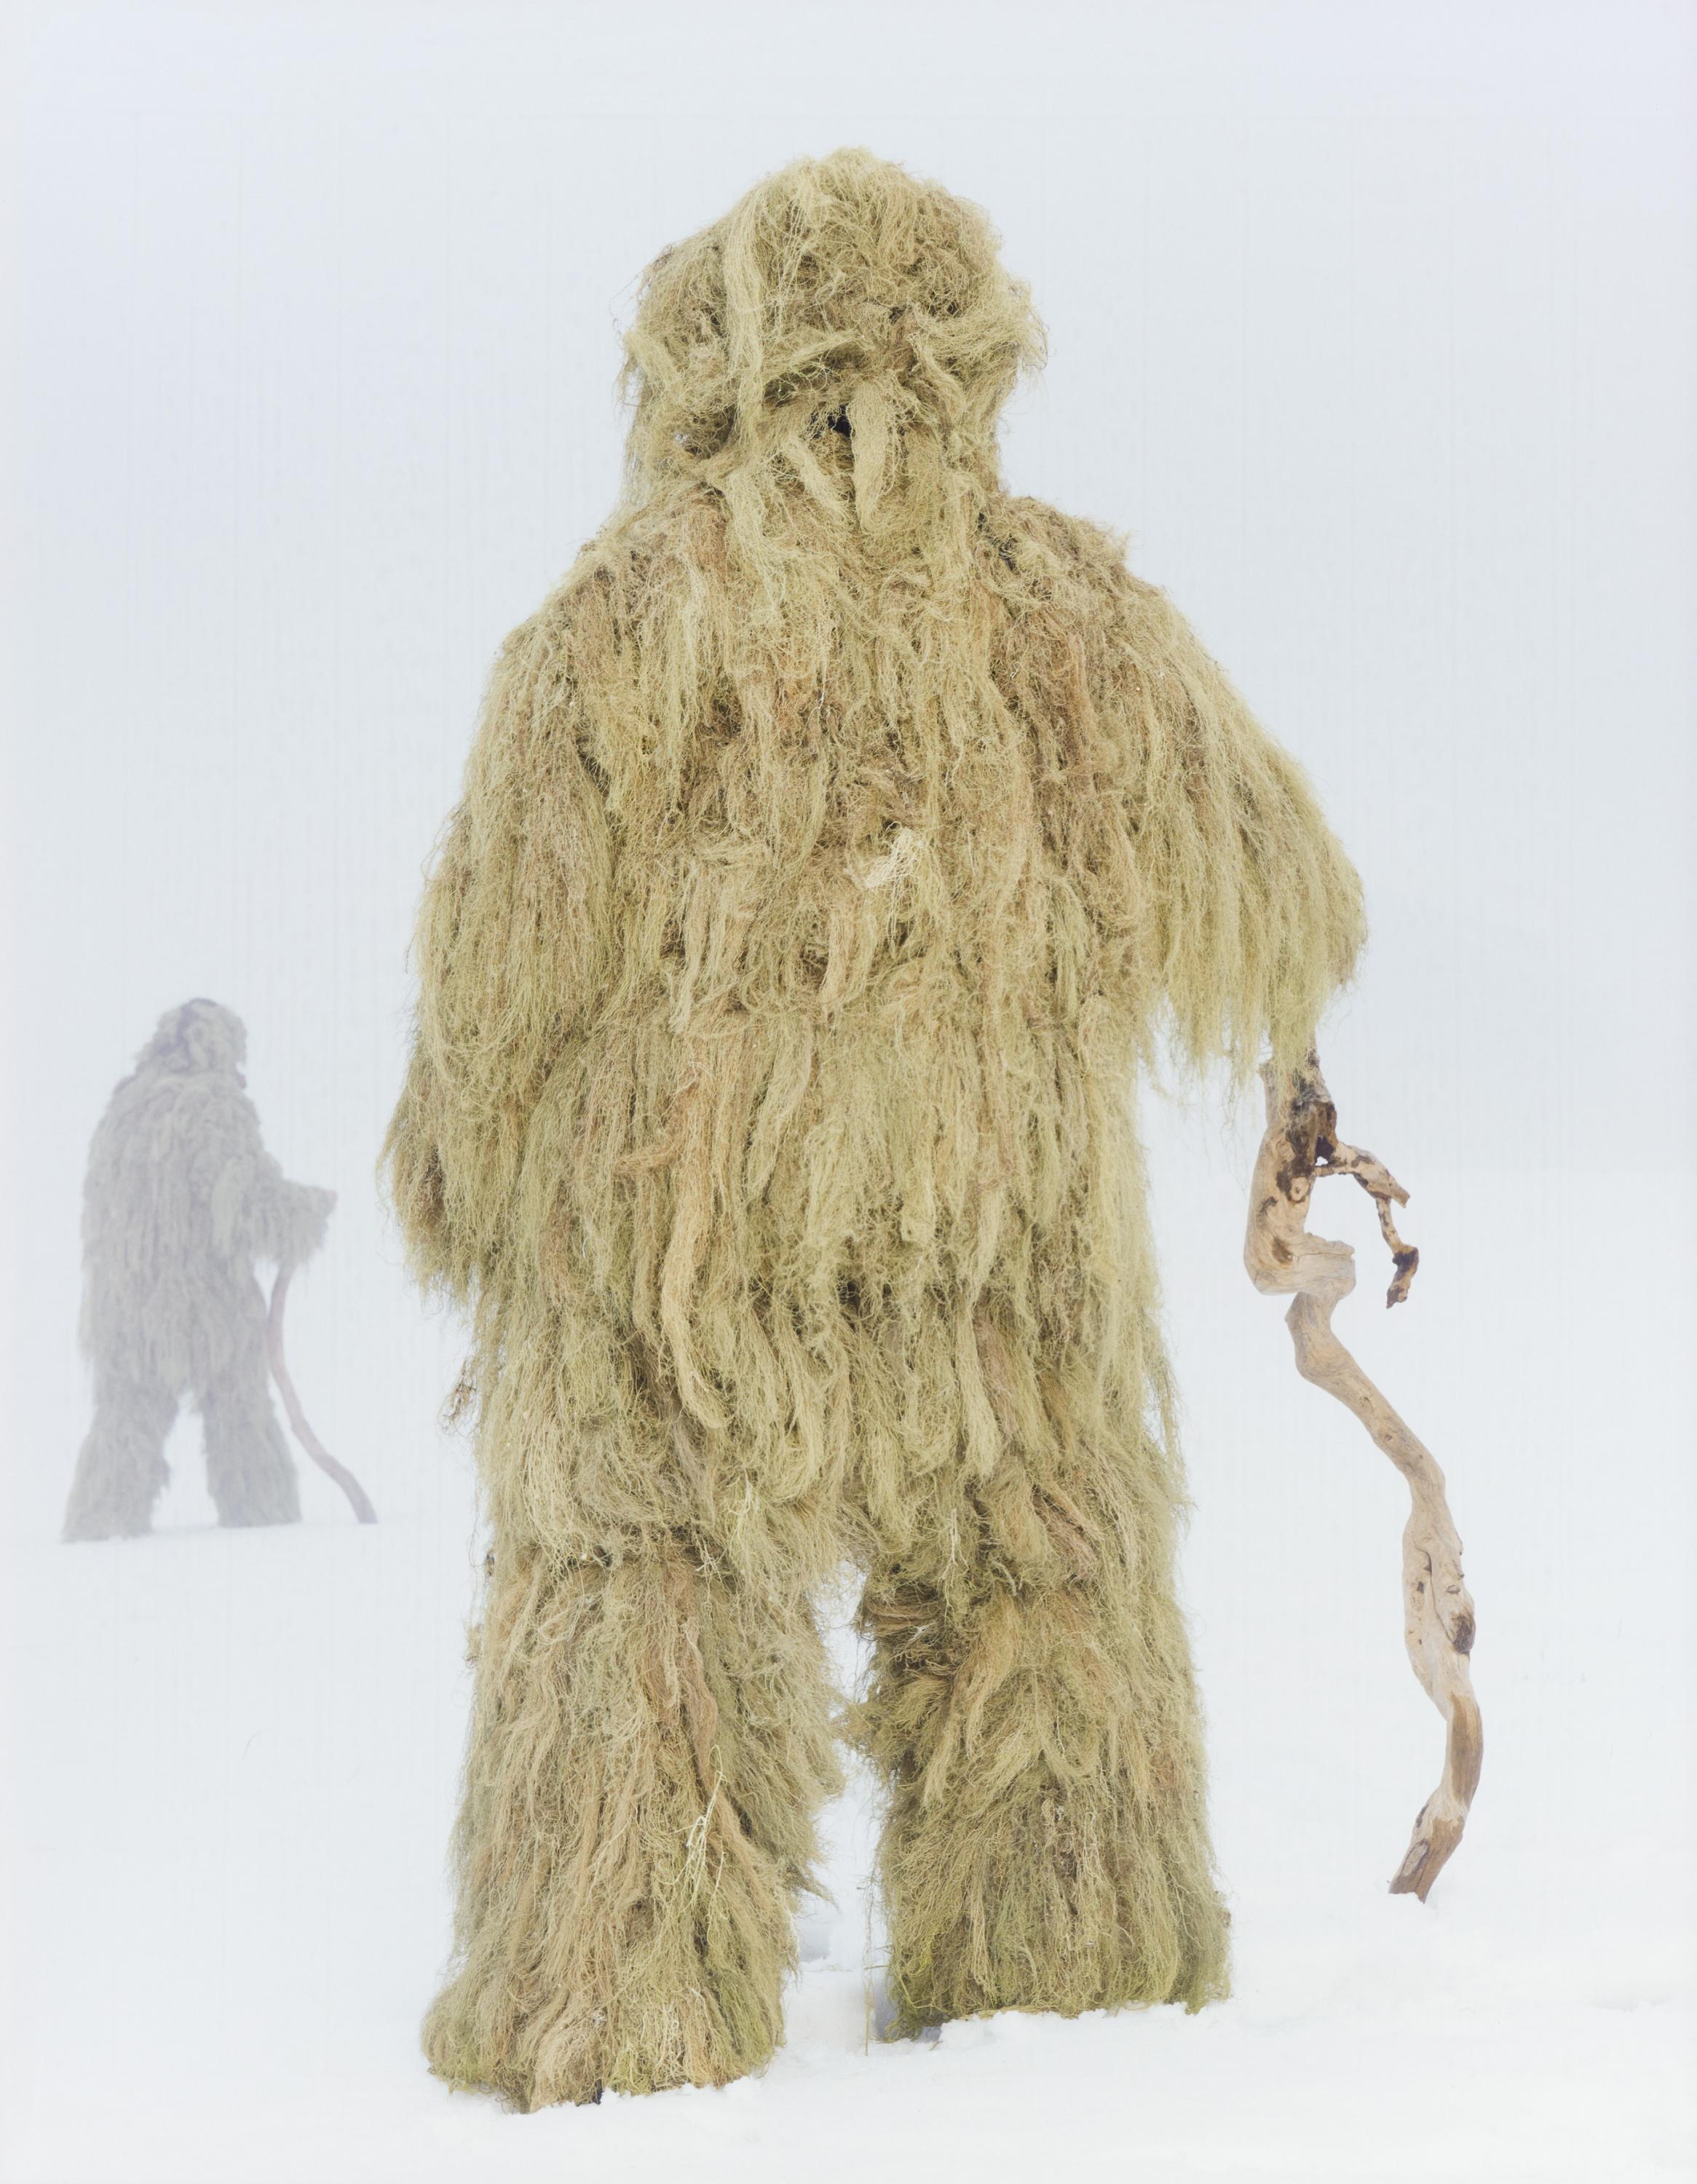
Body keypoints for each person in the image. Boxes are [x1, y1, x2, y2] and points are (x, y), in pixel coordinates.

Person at [384, 147, 1364, 2107]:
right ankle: (1065, 1979)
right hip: (1000, 1242)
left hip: (671, 1245)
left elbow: (506, 960)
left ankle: (615, 2003)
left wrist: (456, 1175)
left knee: (643, 1582)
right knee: (1039, 1577)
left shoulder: (626, 607)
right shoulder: (1067, 599)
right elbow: (1279, 895)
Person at [65, 997, 334, 1539]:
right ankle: (268, 1535)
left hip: (121, 1315)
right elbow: (247, 1204)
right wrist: (306, 1211)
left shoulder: (123, 1110)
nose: (239, 1072)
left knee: (123, 1423)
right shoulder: (212, 1105)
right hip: (202, 1311)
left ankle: (96, 1535)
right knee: (241, 1415)